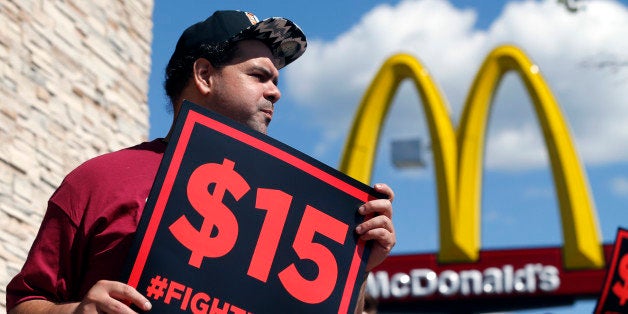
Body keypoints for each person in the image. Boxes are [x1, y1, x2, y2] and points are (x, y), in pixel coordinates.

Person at [6, 10, 396, 313]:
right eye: (259, 75)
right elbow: (25, 301)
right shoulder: (99, 180)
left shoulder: (297, 206)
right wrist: (78, 311)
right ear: (205, 75)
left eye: (277, 80)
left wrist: (355, 266)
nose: (275, 92)